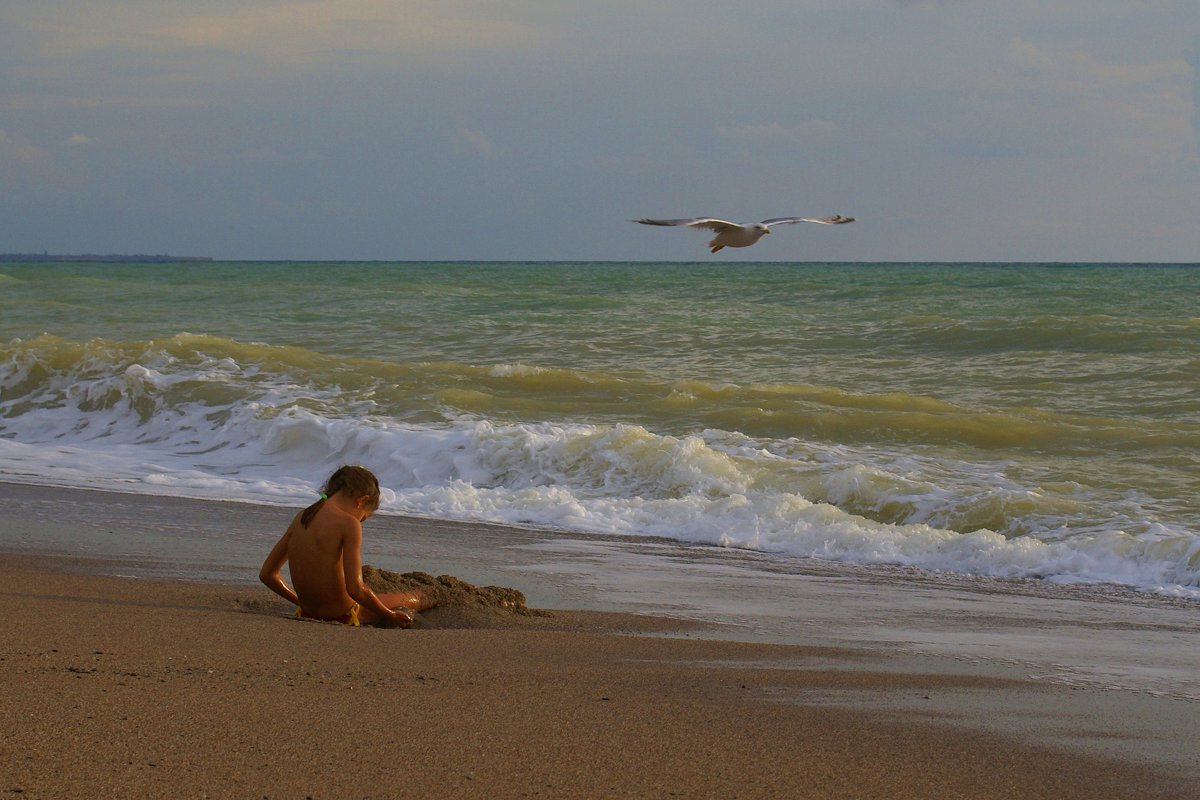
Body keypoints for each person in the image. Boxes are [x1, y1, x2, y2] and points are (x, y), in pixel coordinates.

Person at [259, 465, 432, 627]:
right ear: (361, 500)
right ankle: (437, 595)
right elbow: (355, 589)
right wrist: (389, 615)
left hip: (305, 612)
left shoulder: (302, 516)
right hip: (345, 615)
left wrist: (300, 601)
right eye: (363, 517)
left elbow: (267, 575)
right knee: (414, 598)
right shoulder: (349, 524)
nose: (360, 522)